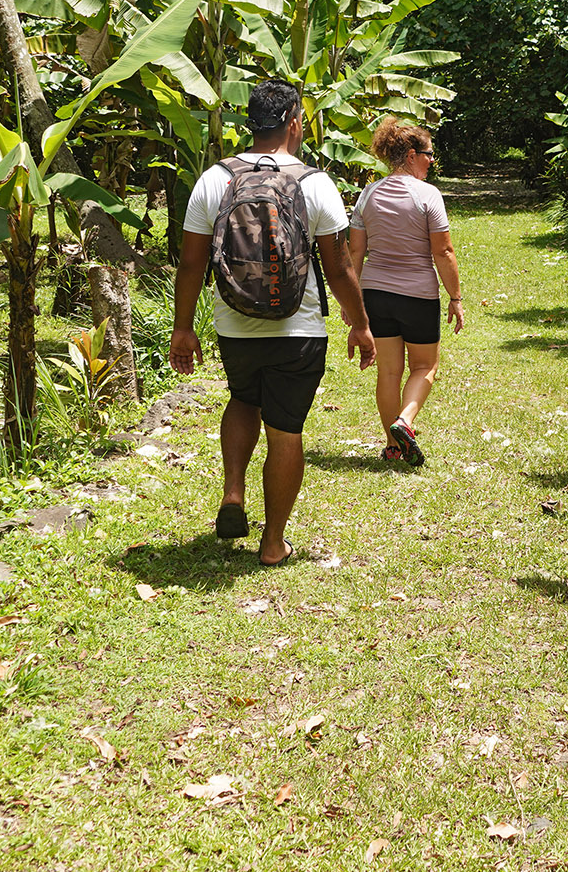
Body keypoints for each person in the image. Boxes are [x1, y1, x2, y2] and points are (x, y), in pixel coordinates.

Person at [170, 80, 376, 566]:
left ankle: (233, 494)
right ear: (293, 123)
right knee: (286, 429)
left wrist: (183, 328)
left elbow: (191, 264)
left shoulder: (214, 179)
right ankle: (272, 542)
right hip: (298, 329)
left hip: (234, 323)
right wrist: (360, 321)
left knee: (242, 397)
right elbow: (340, 267)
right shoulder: (315, 183)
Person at [347, 116, 463, 466]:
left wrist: (353, 304)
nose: (432, 161)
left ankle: (393, 446)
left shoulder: (368, 193)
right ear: (411, 155)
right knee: (425, 366)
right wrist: (456, 298)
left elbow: (355, 252)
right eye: (429, 154)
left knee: (388, 372)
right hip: (417, 295)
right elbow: (443, 252)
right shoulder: (427, 194)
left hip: (376, 295)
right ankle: (405, 422)